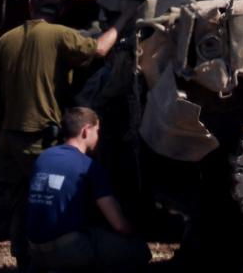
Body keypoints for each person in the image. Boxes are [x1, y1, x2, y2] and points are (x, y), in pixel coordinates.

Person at [0, 0, 128, 267]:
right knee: (59, 202)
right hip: (40, 141)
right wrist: (124, 19)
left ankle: (26, 260)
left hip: (8, 140)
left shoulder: (5, 40)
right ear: (62, 9)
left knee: (23, 202)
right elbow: (99, 49)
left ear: (31, 6)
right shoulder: (60, 34)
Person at [25, 106, 151, 272]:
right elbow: (119, 225)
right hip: (65, 250)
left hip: (34, 250)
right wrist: (135, 233)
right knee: (139, 251)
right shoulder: (88, 166)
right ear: (85, 131)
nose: (98, 137)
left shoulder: (44, 157)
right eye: (97, 131)